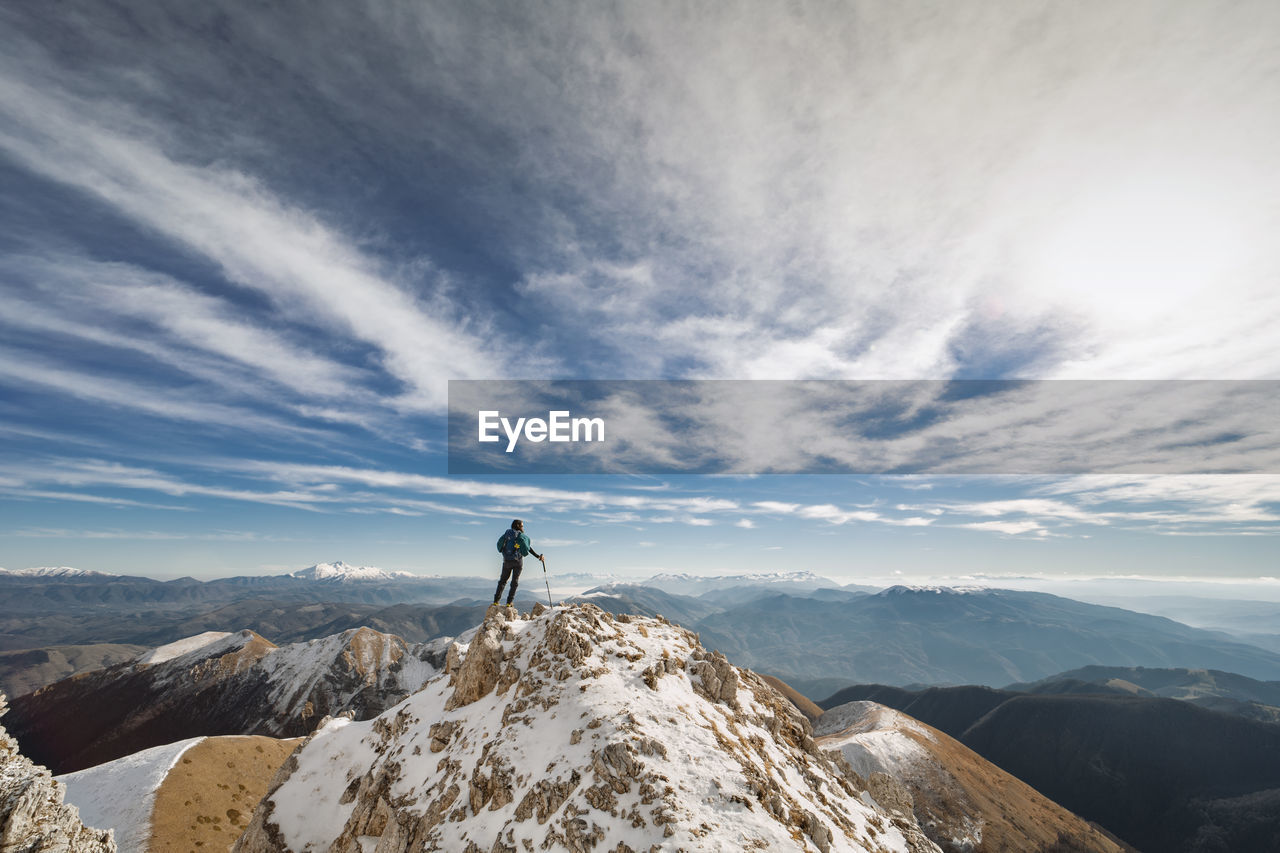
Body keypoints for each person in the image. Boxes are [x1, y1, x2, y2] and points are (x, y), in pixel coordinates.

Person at [493, 519, 543, 607]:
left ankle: (496, 601)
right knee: (514, 582)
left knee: (502, 581)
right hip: (517, 562)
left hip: (507, 561)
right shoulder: (522, 536)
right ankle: (509, 602)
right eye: (522, 526)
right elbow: (528, 549)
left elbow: (499, 545)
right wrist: (538, 556)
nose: (523, 527)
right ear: (518, 526)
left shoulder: (507, 534)